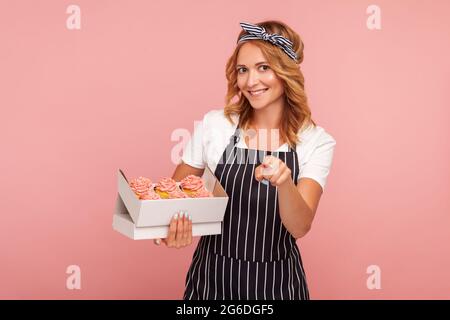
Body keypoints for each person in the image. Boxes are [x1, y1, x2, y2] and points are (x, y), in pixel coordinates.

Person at [154, 20, 336, 300]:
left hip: (278, 285)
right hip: (211, 282)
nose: (251, 82)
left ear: (286, 71)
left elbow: (300, 226)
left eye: (264, 67)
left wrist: (285, 182)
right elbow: (170, 200)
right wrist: (168, 227)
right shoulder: (216, 125)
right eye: (243, 70)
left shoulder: (315, 140)